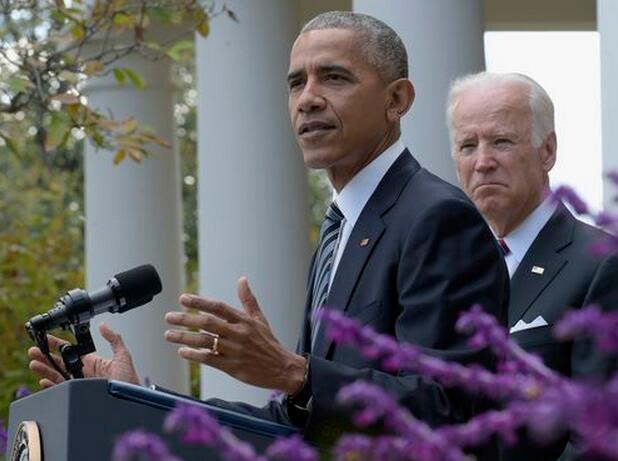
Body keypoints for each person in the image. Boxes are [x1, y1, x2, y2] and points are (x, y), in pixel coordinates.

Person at [29, 12, 508, 451]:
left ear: (396, 100)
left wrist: (295, 373)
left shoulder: (438, 218)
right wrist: (135, 398)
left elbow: (452, 411)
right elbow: (292, 423)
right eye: (296, 83)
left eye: (334, 77)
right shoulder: (342, 231)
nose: (308, 99)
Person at [446, 71, 618, 460]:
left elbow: (604, 442)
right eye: (467, 146)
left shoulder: (606, 267)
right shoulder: (449, 271)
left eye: (501, 141)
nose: (483, 162)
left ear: (547, 150)